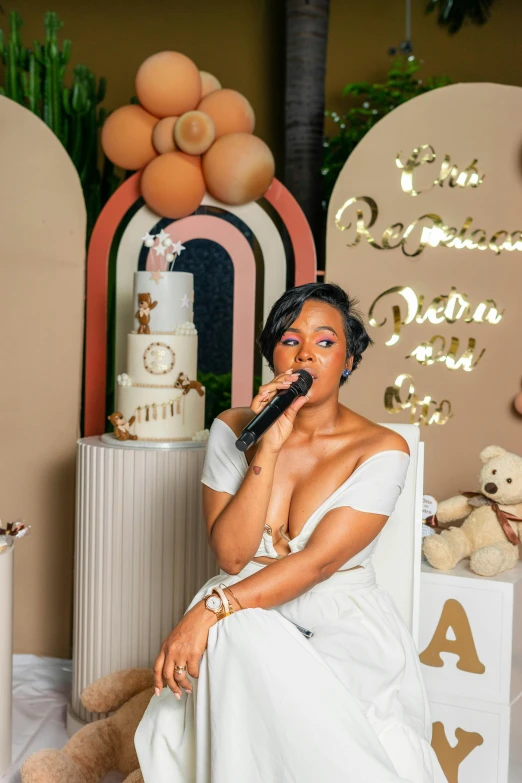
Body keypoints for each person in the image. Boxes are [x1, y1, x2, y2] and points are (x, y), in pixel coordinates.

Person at [134, 282, 448, 783]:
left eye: (325, 342)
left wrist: (207, 611)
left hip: (337, 617)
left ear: (348, 360)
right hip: (243, 604)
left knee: (233, 629)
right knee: (239, 632)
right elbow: (234, 556)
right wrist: (269, 446)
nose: (306, 353)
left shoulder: (382, 448)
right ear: (272, 354)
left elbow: (318, 563)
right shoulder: (233, 427)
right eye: (290, 339)